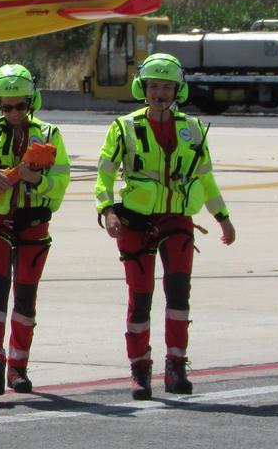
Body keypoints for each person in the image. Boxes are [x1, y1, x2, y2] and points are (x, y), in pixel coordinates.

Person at [94, 53, 236, 400]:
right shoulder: (123, 127)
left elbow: (206, 180)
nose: (160, 93)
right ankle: (139, 370)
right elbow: (104, 175)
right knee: (139, 299)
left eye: (167, 87)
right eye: (154, 86)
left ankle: (176, 367)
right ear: (142, 88)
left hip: (178, 223)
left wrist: (223, 218)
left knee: (178, 296)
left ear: (178, 90)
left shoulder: (194, 129)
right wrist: (107, 210)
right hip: (135, 223)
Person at [0, 64, 70, 395]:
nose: (14, 112)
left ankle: (18, 368)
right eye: (6, 106)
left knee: (25, 299)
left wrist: (40, 180)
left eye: (20, 105)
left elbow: (61, 185)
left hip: (34, 224)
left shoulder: (50, 135)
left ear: (31, 101)